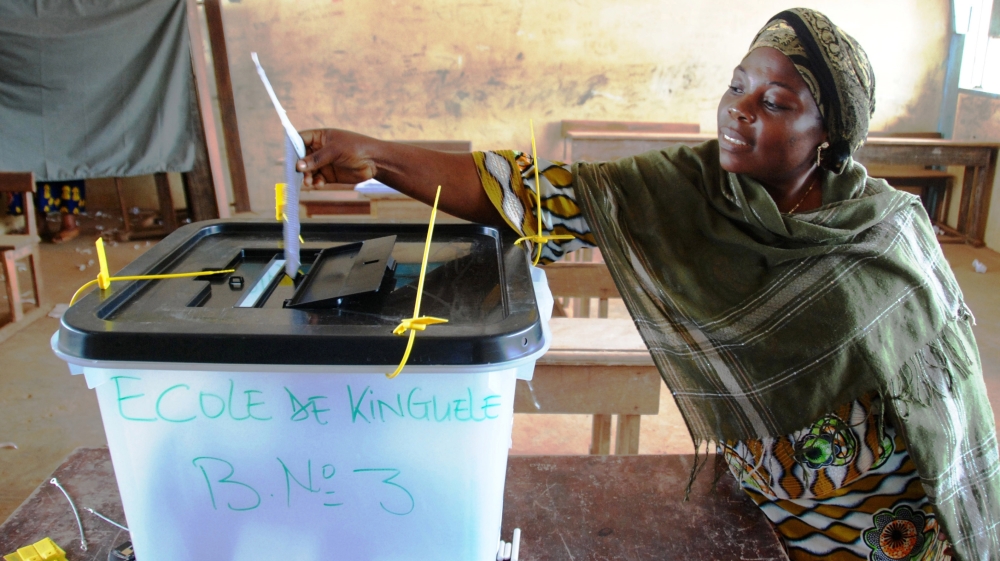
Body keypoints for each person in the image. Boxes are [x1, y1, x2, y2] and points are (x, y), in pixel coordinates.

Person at [295, 8, 999, 560]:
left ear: (829, 135)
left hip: (887, 521)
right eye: (736, 85)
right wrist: (379, 156)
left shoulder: (887, 229)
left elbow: (949, 401)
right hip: (764, 500)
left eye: (777, 102)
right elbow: (531, 194)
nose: (740, 108)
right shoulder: (688, 191)